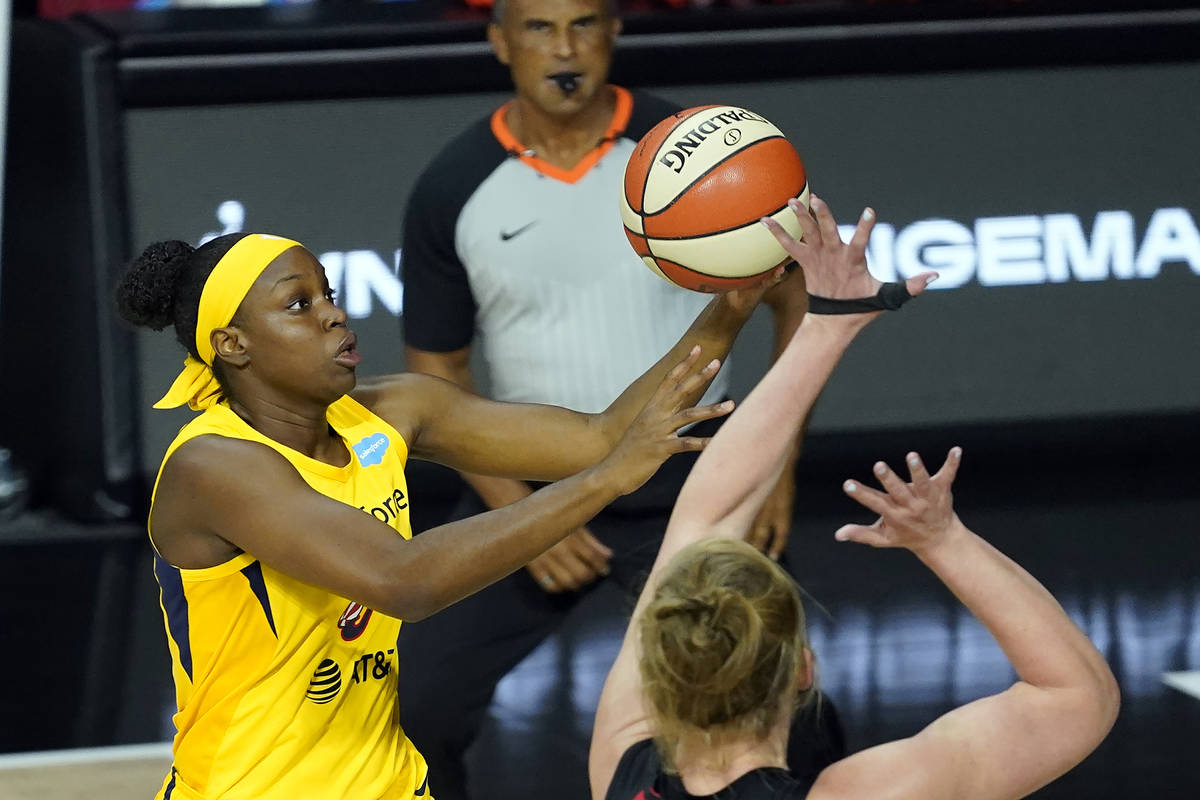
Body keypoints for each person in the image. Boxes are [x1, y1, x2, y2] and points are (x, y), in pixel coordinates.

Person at [115, 231, 768, 800]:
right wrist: (607, 480)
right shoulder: (214, 467)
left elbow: (600, 436)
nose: (333, 317)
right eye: (299, 304)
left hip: (395, 784)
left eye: (329, 294)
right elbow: (405, 580)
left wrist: (731, 305)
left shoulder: (393, 407)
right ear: (233, 344)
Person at [397, 0, 823, 793]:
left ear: (614, 32)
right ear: (498, 41)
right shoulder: (454, 185)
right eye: (538, 27)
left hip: (695, 474)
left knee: (794, 711)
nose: (565, 48)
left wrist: (777, 462)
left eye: (584, 23)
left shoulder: (693, 153)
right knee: (410, 708)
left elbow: (793, 291)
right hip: (532, 489)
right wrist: (513, 501)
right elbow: (435, 367)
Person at [590, 199, 1121, 799]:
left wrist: (825, 326)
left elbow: (704, 517)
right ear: (803, 671)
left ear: (657, 678)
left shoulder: (621, 769)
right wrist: (945, 541)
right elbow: (1077, 696)